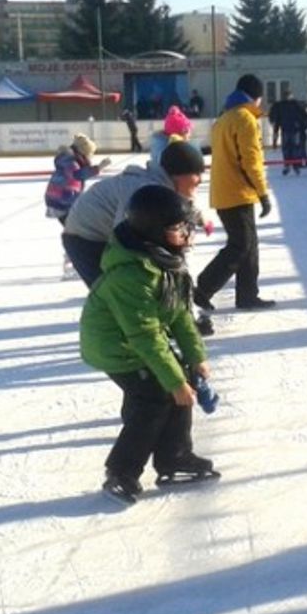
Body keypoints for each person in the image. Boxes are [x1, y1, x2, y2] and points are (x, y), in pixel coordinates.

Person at [80, 184, 218, 506]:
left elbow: (180, 314)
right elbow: (145, 335)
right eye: (176, 228)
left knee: (178, 382)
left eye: (187, 226)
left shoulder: (166, 261)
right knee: (155, 398)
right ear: (153, 232)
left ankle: (175, 457)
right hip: (115, 346)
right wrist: (173, 383)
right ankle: (120, 473)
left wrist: (196, 358)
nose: (186, 233)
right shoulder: (131, 275)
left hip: (137, 340)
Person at [63, 140, 204, 289]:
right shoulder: (143, 191)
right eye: (196, 173)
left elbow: (180, 208)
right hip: (85, 239)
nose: (200, 180)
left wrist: (197, 219)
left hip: (99, 232)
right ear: (178, 175)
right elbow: (125, 238)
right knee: (120, 293)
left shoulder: (164, 187)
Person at [194, 74, 276, 312]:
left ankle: (248, 295)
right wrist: (263, 194)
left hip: (224, 191)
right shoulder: (245, 119)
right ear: (256, 96)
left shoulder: (223, 119)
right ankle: (204, 288)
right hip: (237, 192)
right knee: (241, 245)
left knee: (249, 244)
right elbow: (251, 161)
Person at [45, 133, 110, 279]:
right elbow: (77, 175)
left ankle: (71, 262)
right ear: (83, 152)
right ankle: (71, 264)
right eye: (89, 154)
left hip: (62, 201)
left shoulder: (71, 159)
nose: (90, 157)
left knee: (75, 231)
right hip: (61, 203)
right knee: (75, 233)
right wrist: (98, 167)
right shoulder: (71, 161)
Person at [268, 91, 307, 175]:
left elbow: (305, 116)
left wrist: (303, 126)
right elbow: (277, 119)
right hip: (288, 130)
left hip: (293, 130)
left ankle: (294, 165)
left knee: (292, 148)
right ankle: (290, 165)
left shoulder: (294, 105)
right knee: (289, 148)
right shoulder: (285, 105)